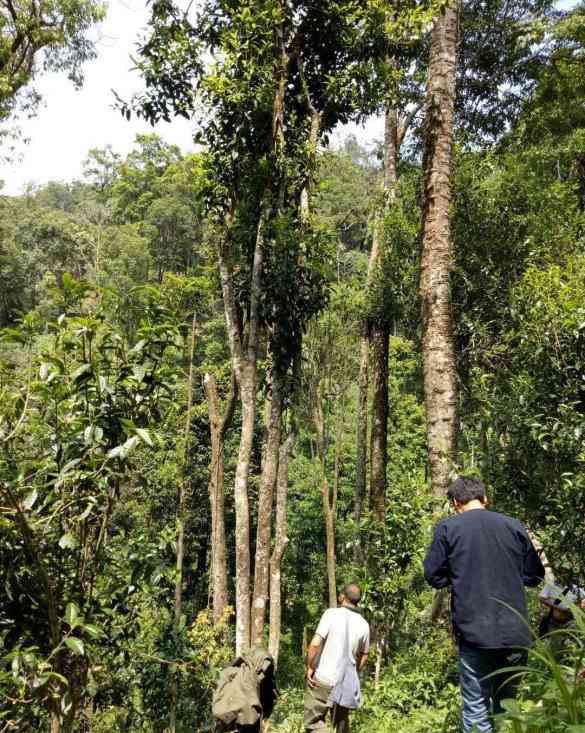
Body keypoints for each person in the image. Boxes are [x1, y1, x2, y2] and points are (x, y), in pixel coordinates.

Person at [424, 476, 545, 733]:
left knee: (476, 709)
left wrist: (459, 575)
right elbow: (535, 575)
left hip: (474, 633)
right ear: (485, 499)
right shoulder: (513, 526)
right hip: (515, 633)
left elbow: (433, 576)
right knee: (508, 707)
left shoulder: (448, 528)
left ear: (456, 503)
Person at [304, 584, 370, 733]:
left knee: (313, 723)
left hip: (323, 679)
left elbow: (314, 644)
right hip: (345, 683)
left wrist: (310, 667)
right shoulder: (364, 625)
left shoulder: (331, 614)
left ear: (342, 597)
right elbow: (364, 655)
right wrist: (354, 672)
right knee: (341, 724)